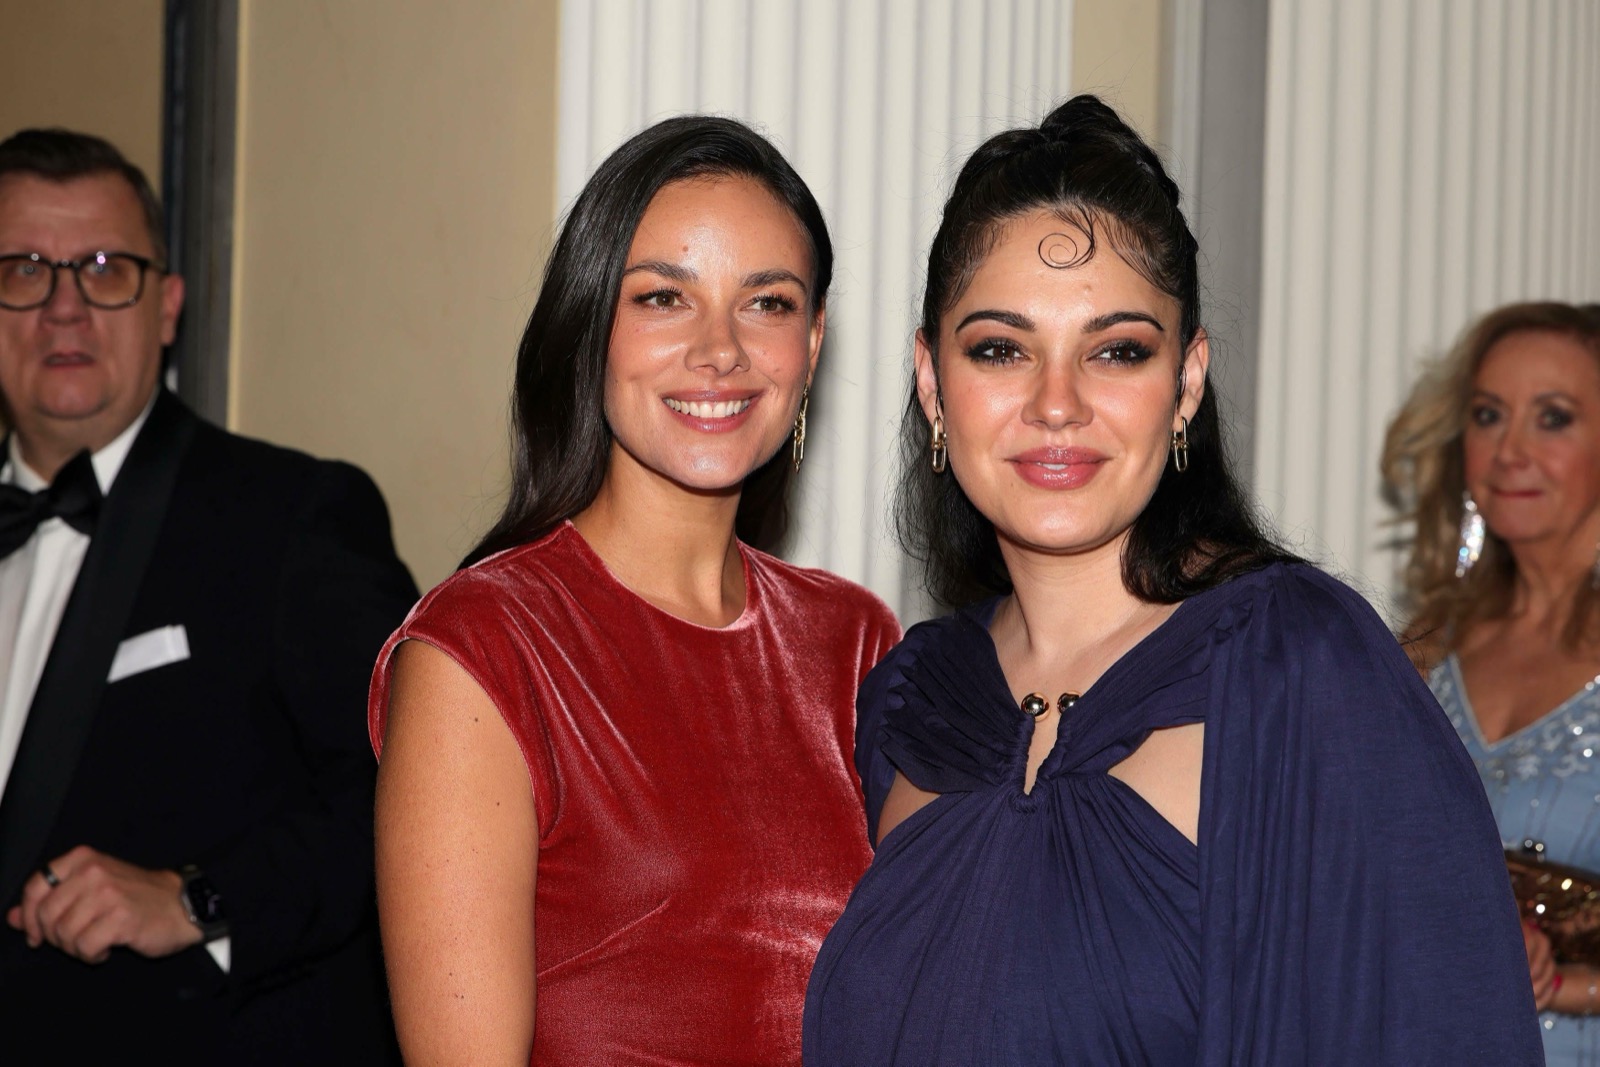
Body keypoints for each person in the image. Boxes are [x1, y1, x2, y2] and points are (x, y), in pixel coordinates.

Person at [802, 95, 1542, 1064]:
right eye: (1000, 349)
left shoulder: (1297, 664)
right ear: (932, 382)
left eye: (1116, 350)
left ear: (1186, 382)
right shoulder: (916, 698)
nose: (1057, 402)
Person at [369, 115, 901, 1065]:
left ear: (813, 342)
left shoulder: (855, 639)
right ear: (592, 329)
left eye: (767, 303)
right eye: (663, 297)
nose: (720, 349)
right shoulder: (482, 649)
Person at [0, 129, 416, 1062]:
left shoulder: (295, 514)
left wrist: (198, 898)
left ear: (167, 307)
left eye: (105, 269)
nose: (64, 308)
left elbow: (412, 797)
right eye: (22, 270)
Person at [1383, 301, 1600, 1063]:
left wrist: (1563, 985)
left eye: (1553, 418)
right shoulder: (1418, 653)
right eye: (1487, 415)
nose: (1509, 451)